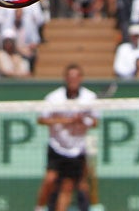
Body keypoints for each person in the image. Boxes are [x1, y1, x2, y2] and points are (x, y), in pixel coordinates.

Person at [34, 64, 97, 211]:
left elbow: (94, 121)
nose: (73, 80)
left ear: (80, 78)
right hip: (57, 146)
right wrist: (66, 120)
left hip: (77, 149)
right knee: (50, 179)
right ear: (65, 78)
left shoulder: (90, 97)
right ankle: (38, 208)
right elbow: (42, 119)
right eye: (70, 76)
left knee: (68, 186)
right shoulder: (53, 98)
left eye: (76, 76)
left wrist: (82, 120)